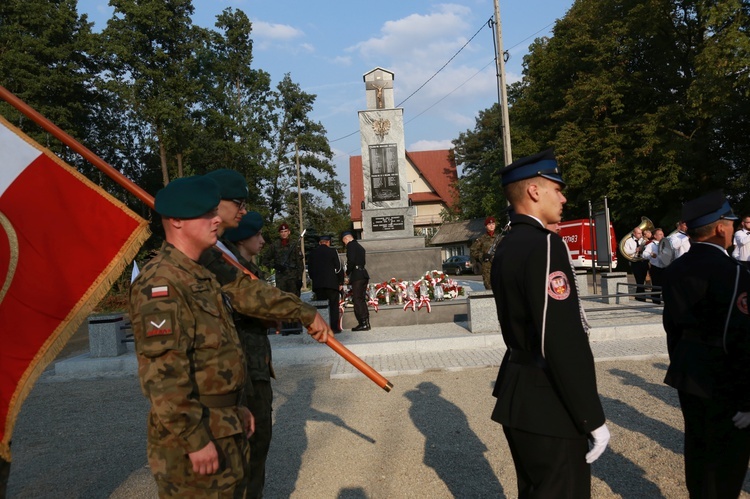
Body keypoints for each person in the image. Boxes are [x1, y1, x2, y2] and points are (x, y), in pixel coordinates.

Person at [490, 149, 609, 498]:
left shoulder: (507, 244)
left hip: (520, 391)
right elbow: (560, 338)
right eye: (557, 188)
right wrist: (592, 416)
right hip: (549, 401)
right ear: (534, 191)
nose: (564, 196)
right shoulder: (544, 245)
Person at [129, 176, 255, 497]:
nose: (217, 219)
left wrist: (235, 408)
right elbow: (163, 376)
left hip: (223, 425)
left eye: (215, 211)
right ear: (176, 221)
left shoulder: (199, 275)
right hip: (194, 440)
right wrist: (195, 439)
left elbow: (213, 357)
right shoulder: (161, 284)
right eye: (206, 214)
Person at [661, 190, 750, 498]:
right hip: (726, 379)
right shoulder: (735, 272)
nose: (733, 227)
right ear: (719, 228)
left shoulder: (674, 270)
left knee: (698, 450)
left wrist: (683, 361)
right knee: (727, 464)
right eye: (730, 221)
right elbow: (741, 336)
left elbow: (670, 327)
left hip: (688, 372)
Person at [222, 211, 275, 499]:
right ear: (243, 240)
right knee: (250, 446)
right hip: (244, 373)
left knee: (259, 445)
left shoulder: (248, 270)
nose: (263, 240)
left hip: (257, 368)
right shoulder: (231, 271)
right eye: (258, 235)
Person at [308, 235, 344, 333]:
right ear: (328, 242)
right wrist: (340, 281)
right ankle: (334, 328)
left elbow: (310, 270)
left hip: (318, 284)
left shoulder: (312, 253)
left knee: (321, 306)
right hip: (331, 283)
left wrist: (314, 279)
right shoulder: (332, 251)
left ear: (320, 243)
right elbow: (339, 268)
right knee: (333, 306)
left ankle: (323, 328)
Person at [342, 231, 370, 331]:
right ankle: (366, 322)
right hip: (363, 273)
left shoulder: (350, 246)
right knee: (361, 299)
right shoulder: (359, 246)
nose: (345, 244)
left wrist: (347, 271)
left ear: (346, 239)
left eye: (344, 242)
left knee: (357, 299)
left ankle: (363, 323)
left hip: (357, 276)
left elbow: (351, 261)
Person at [470, 216, 499, 289]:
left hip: (499, 265)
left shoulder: (499, 238)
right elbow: (473, 250)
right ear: (486, 226)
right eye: (489, 224)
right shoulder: (481, 239)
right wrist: (482, 256)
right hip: (487, 267)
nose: (491, 226)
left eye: (493, 224)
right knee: (489, 287)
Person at [623, 226, 648, 301]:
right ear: (634, 233)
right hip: (635, 262)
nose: (640, 235)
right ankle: (641, 297)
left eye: (641, 233)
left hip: (643, 261)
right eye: (638, 233)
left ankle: (639, 297)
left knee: (642, 280)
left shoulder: (643, 240)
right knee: (639, 279)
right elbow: (626, 252)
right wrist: (635, 250)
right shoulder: (628, 241)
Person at [642, 228, 666, 304]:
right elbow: (644, 254)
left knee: (665, 285)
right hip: (656, 268)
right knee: (656, 286)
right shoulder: (651, 245)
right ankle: (656, 302)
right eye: (660, 234)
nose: (663, 236)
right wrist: (651, 255)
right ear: (655, 236)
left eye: (663, 234)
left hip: (665, 267)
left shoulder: (666, 244)